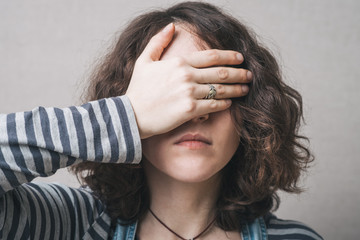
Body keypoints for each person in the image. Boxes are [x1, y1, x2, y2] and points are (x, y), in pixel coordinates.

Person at [0, 2, 323, 240]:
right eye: (170, 92)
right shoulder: (67, 223)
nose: (197, 110)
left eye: (216, 88)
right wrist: (130, 113)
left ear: (252, 112)